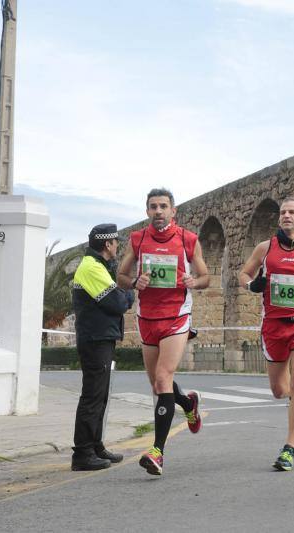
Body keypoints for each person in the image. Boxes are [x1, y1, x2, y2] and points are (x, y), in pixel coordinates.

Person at [117, 188, 210, 475]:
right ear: (147, 211)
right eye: (153, 207)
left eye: (163, 206)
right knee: (157, 385)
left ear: (173, 211)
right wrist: (135, 283)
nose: (158, 211)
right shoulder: (138, 239)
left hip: (176, 315)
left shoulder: (187, 239)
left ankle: (157, 451)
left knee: (162, 377)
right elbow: (120, 277)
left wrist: (192, 281)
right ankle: (187, 401)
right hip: (147, 317)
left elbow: (205, 276)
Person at [238, 197, 294, 471]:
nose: (287, 215)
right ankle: (293, 401)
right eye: (283, 212)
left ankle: (290, 447)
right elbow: (243, 274)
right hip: (273, 326)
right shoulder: (265, 248)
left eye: (293, 212)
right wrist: (253, 285)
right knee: (279, 390)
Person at [71, 224, 129, 471]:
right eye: (116, 242)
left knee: (100, 394)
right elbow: (117, 302)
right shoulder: (92, 268)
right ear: (107, 244)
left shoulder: (98, 266)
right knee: (93, 396)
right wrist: (128, 293)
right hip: (95, 339)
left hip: (100, 337)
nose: (118, 246)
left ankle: (95, 445)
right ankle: (83, 453)